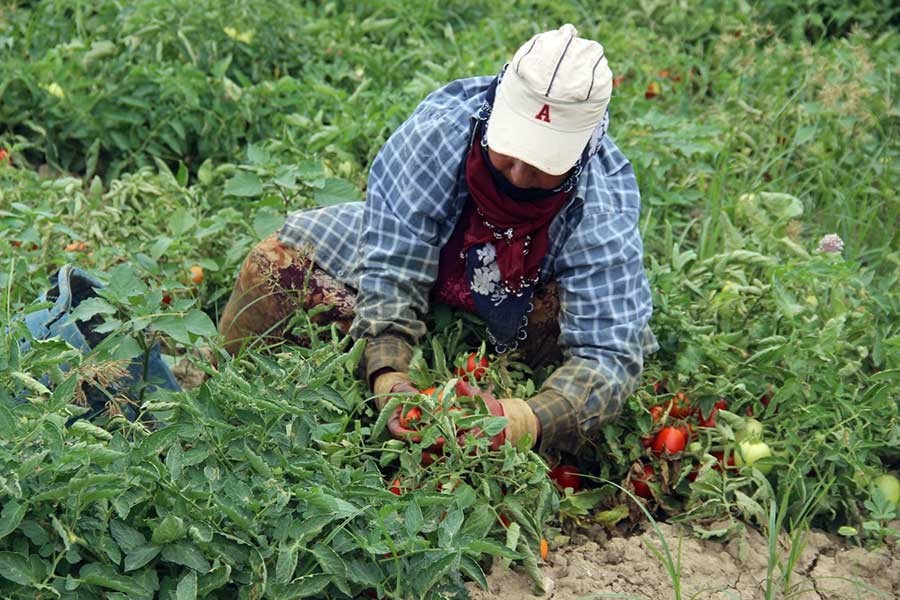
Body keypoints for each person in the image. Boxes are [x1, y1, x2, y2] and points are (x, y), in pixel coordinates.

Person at [218, 24, 657, 455]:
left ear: (584, 149)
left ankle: (487, 371)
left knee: (594, 384)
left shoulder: (601, 202)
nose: (521, 176)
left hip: (522, 306)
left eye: (545, 163)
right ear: (495, 112)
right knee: (274, 267)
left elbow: (607, 353)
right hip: (435, 271)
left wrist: (516, 421)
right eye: (511, 150)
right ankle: (217, 387)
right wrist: (389, 374)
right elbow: (393, 264)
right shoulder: (440, 133)